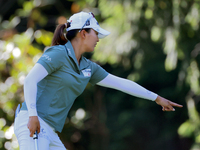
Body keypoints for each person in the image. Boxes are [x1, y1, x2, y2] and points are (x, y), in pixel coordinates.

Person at [14, 11, 183, 150]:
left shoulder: (88, 67)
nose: (98, 39)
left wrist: (156, 97)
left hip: (49, 130)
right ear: (83, 33)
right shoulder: (58, 54)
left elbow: (121, 83)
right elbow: (30, 80)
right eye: (96, 33)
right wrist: (32, 115)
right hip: (32, 122)